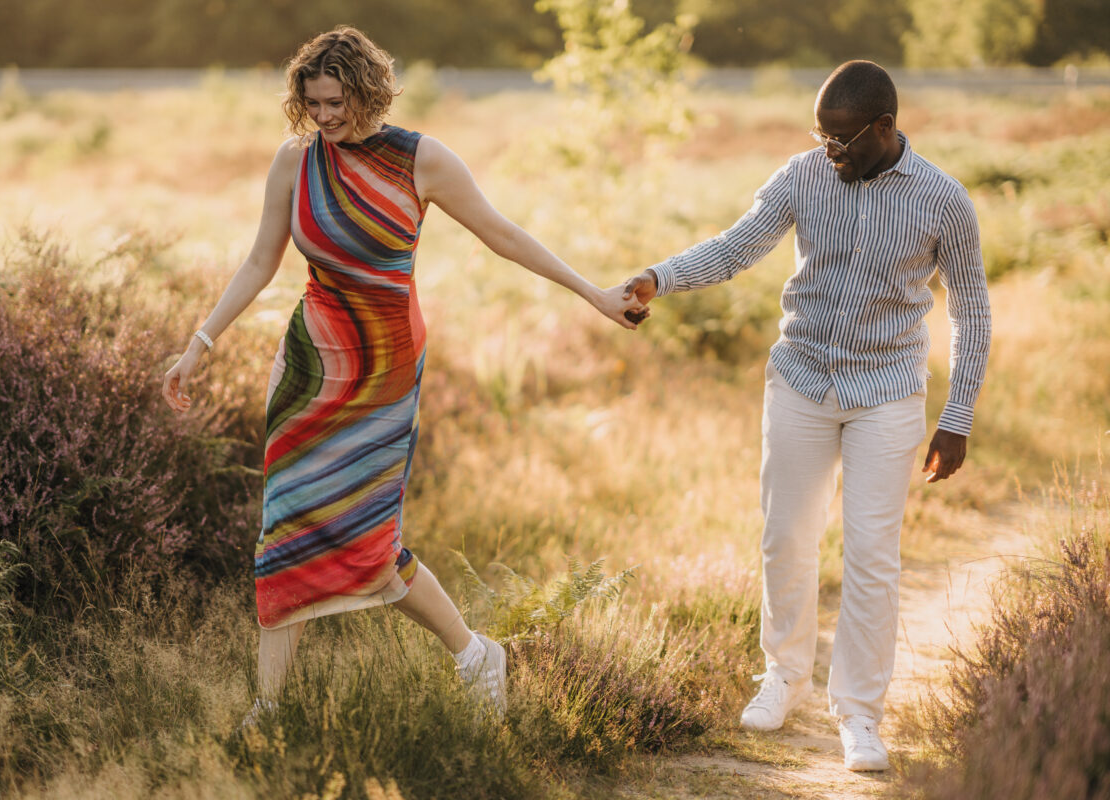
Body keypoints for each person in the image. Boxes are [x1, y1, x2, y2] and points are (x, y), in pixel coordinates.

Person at [162, 26, 648, 724]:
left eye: (337, 101)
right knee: (286, 528)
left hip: (385, 372)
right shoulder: (294, 161)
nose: (326, 117)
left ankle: (474, 654)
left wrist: (596, 295)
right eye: (314, 103)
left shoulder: (420, 160)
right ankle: (269, 708)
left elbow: (504, 235)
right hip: (308, 368)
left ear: (367, 91)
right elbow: (259, 261)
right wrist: (199, 343)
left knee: (365, 539)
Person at [622, 60, 991, 771]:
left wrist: (959, 414)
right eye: (821, 137)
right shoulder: (803, 175)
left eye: (843, 140)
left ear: (884, 128)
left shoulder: (944, 199)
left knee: (873, 558)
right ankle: (784, 678)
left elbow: (971, 309)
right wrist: (659, 278)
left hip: (887, 390)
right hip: (800, 379)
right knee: (786, 539)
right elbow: (738, 245)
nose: (830, 152)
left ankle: (858, 715)